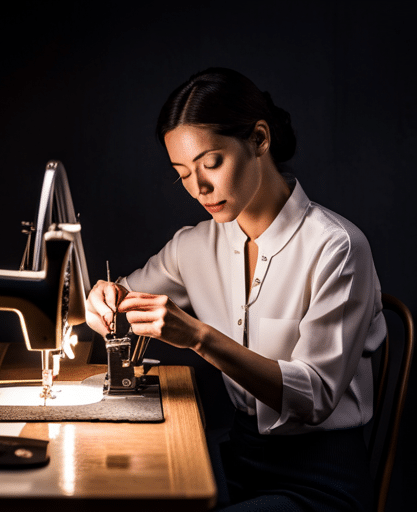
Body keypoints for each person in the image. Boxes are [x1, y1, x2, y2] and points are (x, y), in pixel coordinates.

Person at [86, 67, 386, 511]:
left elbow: (316, 396)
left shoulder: (337, 248)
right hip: (237, 458)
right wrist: (100, 297)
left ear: (260, 139)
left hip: (320, 478)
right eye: (182, 174)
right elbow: (121, 297)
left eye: (211, 164)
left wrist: (198, 338)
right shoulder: (195, 245)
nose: (199, 188)